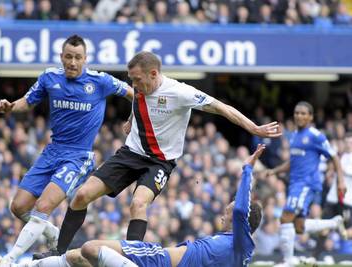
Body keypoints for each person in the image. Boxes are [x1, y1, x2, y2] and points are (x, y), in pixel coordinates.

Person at [33, 51, 282, 260]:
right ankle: (58, 253)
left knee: (138, 204)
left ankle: (130, 260)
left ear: (154, 74)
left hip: (160, 161)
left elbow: (221, 107)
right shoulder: (141, 86)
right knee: (81, 196)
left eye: (138, 80)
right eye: (131, 80)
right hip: (130, 153)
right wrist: (131, 120)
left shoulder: (180, 92)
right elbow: (140, 102)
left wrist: (254, 128)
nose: (134, 85)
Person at [0, 34, 134, 267]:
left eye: (78, 58)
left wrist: (132, 118)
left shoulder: (100, 81)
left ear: (86, 58)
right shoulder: (50, 77)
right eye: (68, 57)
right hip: (52, 151)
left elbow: (134, 93)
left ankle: (9, 260)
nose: (73, 62)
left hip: (78, 156)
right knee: (18, 207)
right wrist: (10, 107)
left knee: (43, 206)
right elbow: (28, 101)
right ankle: (53, 235)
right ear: (61, 57)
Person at [12, 144, 267, 267]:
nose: (226, 211)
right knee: (76, 257)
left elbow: (242, 209)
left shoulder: (241, 243)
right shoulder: (235, 249)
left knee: (90, 248)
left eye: (230, 210)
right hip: (163, 258)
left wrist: (247, 169)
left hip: (160, 260)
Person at [264, 102, 347, 267]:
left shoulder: (316, 136)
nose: (299, 116)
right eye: (297, 113)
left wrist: (341, 180)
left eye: (303, 113)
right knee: (299, 227)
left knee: (286, 217)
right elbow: (292, 161)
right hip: (296, 183)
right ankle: (334, 222)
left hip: (306, 183)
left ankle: (287, 262)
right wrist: (274, 171)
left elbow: (334, 157)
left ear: (310, 117)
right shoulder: (294, 135)